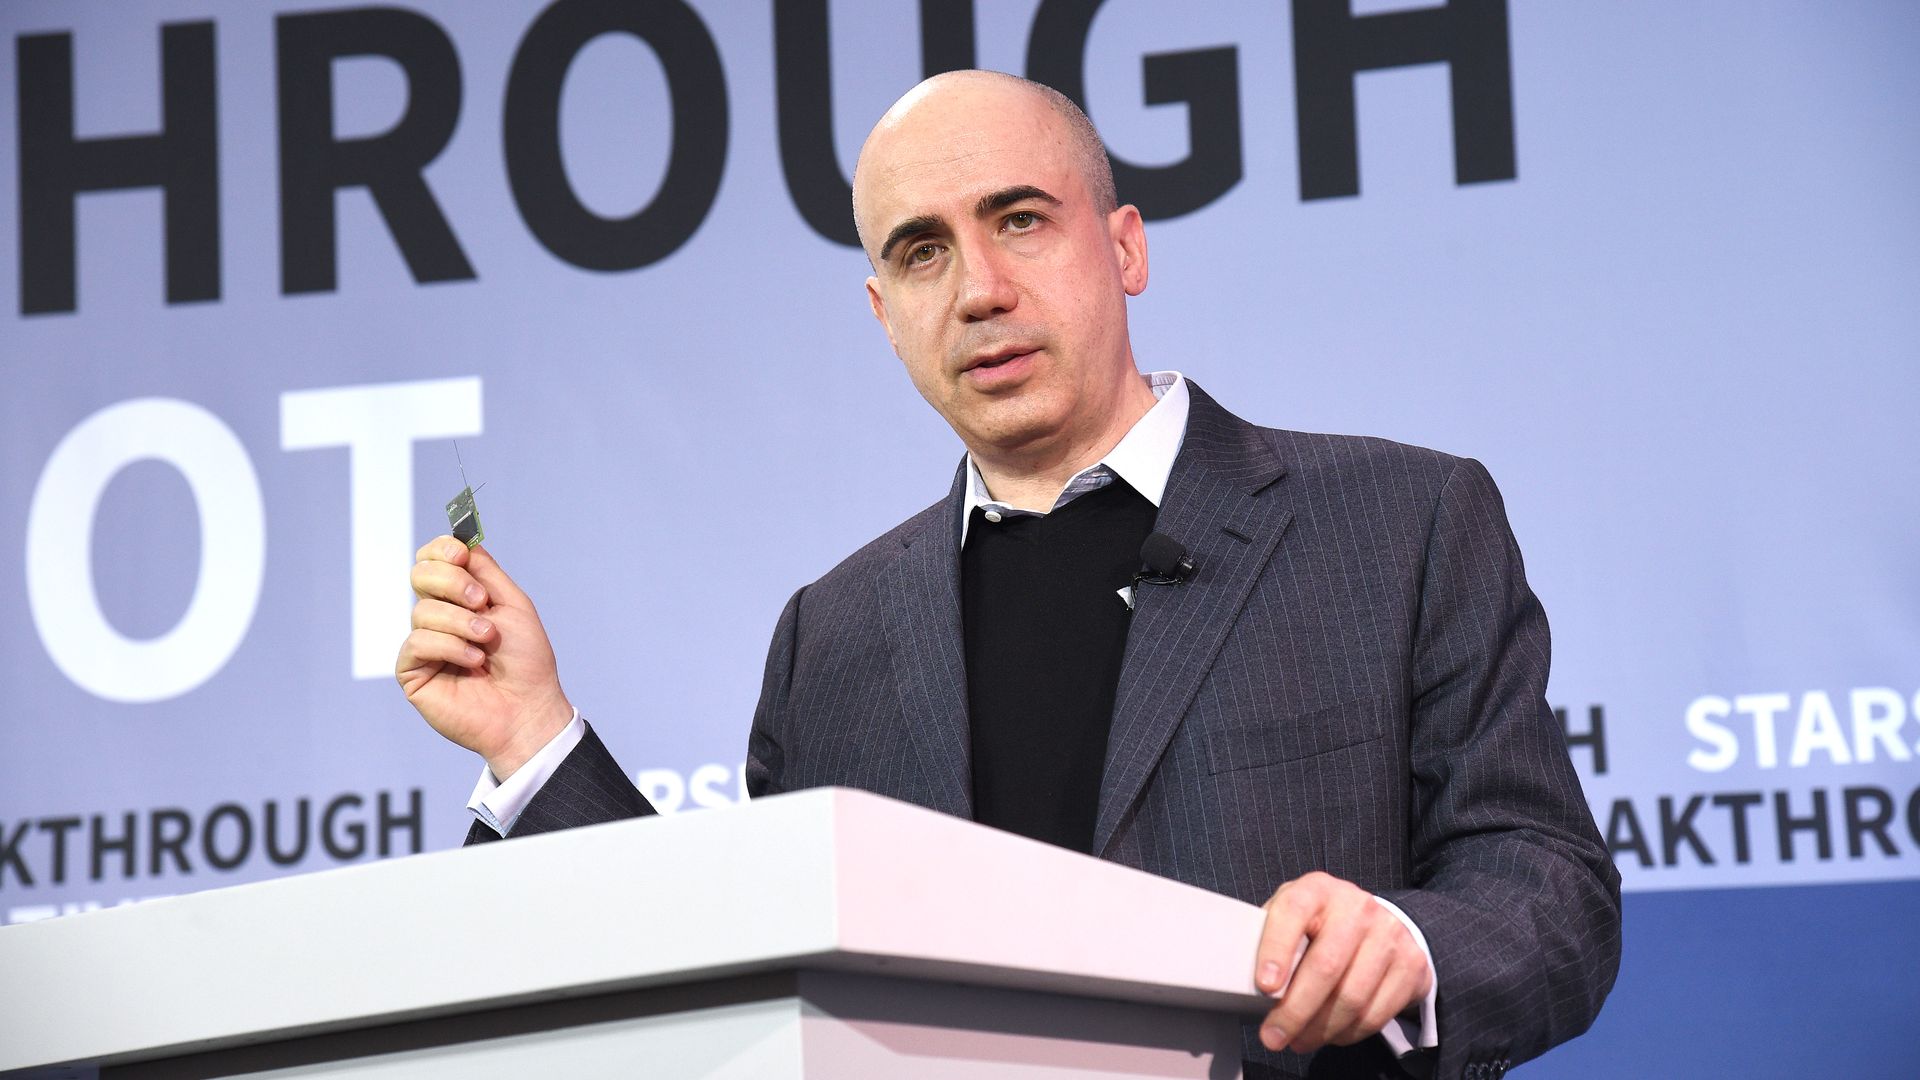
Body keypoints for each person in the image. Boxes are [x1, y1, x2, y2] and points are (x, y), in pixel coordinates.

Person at [397, 70, 1619, 1079]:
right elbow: (737, 990)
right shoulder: (831, 639)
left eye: (1020, 220)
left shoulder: (1395, 523)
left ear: (1125, 247)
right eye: (923, 253)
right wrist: (535, 742)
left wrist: (1406, 943)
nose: (979, 290)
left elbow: (1549, 890)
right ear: (884, 312)